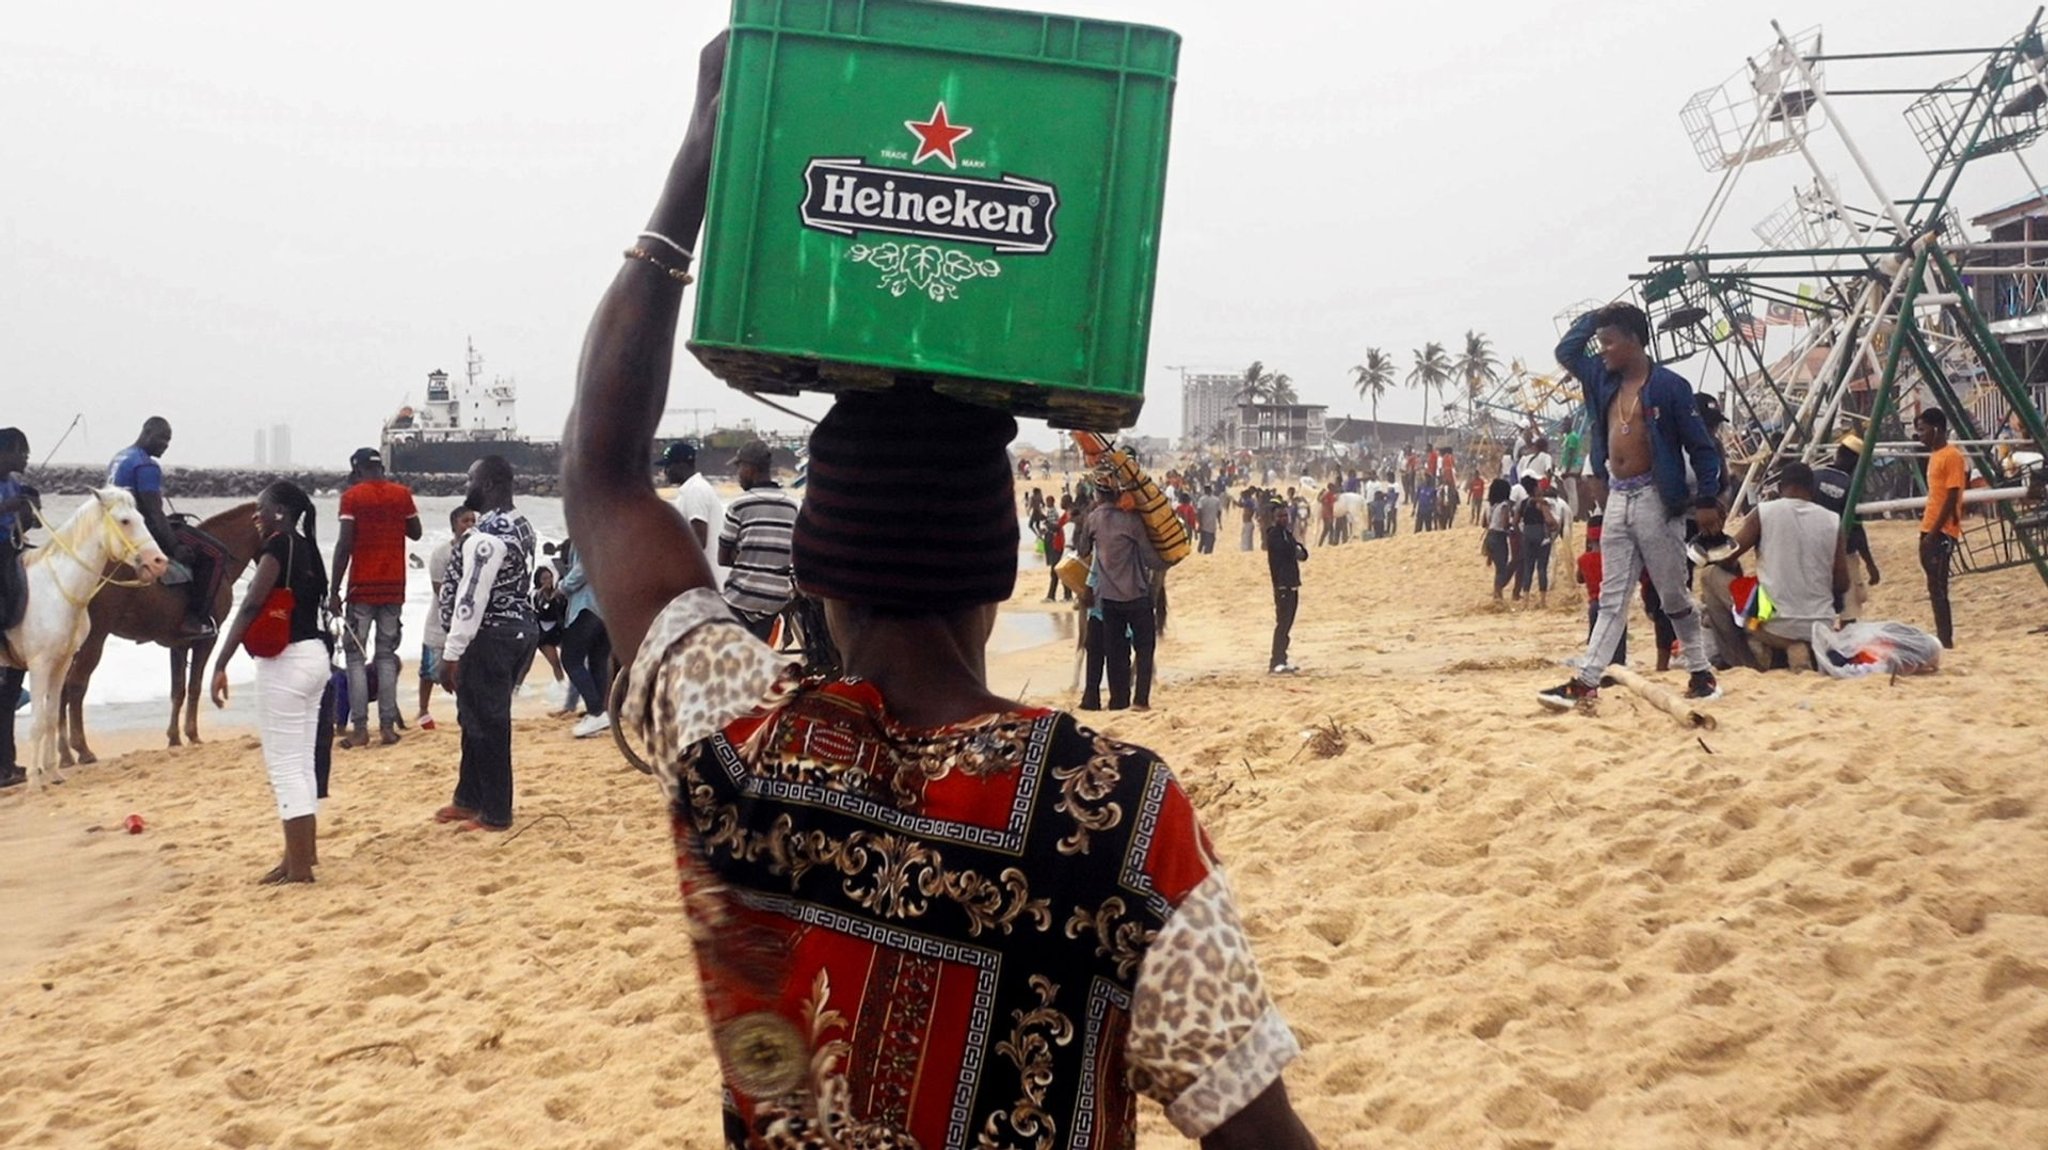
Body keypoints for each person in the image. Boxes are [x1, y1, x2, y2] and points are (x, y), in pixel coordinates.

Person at [561, 54, 1316, 1137]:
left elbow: (598, 472)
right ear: (1000, 574)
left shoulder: (731, 742)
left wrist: (688, 178)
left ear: (815, 578)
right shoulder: (1117, 815)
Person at [1539, 303, 1725, 709]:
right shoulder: (1602, 381)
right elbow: (1566, 352)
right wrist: (1597, 317)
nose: (1602, 350)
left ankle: (1700, 673)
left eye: (1609, 341)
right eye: (1600, 342)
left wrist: (1708, 497)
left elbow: (1702, 448)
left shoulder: (1670, 387)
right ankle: (1587, 680)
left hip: (1658, 499)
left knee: (1672, 594)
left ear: (1635, 341)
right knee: (1612, 595)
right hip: (1619, 496)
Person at [208, 481, 331, 885]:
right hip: (315, 656)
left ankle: (298, 869)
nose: (256, 516)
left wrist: (220, 661)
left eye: (261, 509)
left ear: (279, 511)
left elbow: (251, 604)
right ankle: (299, 856)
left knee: (285, 767)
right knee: (302, 763)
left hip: (286, 663)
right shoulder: (309, 546)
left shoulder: (277, 546)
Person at [436, 455, 538, 832]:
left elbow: (471, 597)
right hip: (515, 631)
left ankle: (495, 812)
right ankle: (469, 797)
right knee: (474, 717)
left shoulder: (487, 537)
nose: (467, 487)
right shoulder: (520, 524)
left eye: (471, 480)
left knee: (488, 723)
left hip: (489, 636)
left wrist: (452, 652)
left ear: (491, 484)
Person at [1710, 462, 1848, 670]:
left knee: (1710, 576)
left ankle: (1743, 659)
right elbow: (1842, 583)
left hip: (1774, 625)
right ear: (1812, 490)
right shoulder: (1832, 521)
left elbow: (1728, 555)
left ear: (1781, 487)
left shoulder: (1764, 512)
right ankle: (1799, 648)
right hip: (1822, 626)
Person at [328, 447, 422, 747]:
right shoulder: (402, 494)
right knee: (385, 656)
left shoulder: (352, 497)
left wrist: (334, 590)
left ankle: (359, 729)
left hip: (361, 587)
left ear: (356, 470)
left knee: (355, 657)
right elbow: (416, 533)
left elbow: (344, 546)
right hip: (394, 586)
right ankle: (387, 727)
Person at [107, 416, 216, 642]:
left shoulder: (120, 457)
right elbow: (154, 513)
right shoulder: (146, 464)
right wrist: (175, 547)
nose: (165, 445)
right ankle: (194, 620)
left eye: (168, 441)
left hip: (112, 529)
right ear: (146, 433)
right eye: (162, 439)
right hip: (137, 532)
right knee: (209, 555)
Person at [1080, 484, 1165, 711]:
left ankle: (1119, 701)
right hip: (1136, 595)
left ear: (1098, 495)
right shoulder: (1132, 520)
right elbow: (1150, 559)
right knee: (1145, 648)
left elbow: (1082, 550)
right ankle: (1141, 701)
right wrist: (1167, 559)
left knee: (1116, 653)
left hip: (1108, 599)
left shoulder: (1093, 519)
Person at [717, 439, 798, 642]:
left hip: (743, 597)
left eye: (739, 468)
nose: (738, 475)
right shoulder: (791, 506)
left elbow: (723, 558)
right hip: (776, 599)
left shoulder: (740, 506)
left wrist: (745, 554)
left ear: (750, 469)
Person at [416, 505, 475, 732]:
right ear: (454, 526)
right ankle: (423, 709)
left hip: (469, 618)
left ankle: (465, 710)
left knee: (463, 671)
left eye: (472, 521)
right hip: (441, 620)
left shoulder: (479, 550)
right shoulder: (441, 553)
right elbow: (439, 590)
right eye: (464, 521)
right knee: (429, 668)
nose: (470, 525)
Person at [1811, 435, 1882, 622]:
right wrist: (1870, 563)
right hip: (1844, 553)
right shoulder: (1851, 486)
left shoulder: (1814, 477)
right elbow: (1857, 530)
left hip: (1814, 553)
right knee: (1850, 608)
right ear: (1857, 462)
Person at [0, 427, 36, 789]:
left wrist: (29, 511)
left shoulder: (12, 482)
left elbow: (21, 527)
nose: (25, 459)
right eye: (20, 452)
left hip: (12, 550)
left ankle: (7, 763)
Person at [1917, 408, 1966, 648]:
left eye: (1923, 429)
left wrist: (1935, 532)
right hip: (1929, 526)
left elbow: (1951, 496)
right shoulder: (1935, 456)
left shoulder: (1952, 456)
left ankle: (1946, 639)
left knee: (1939, 585)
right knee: (1933, 584)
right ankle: (1942, 634)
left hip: (1942, 530)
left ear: (1937, 429)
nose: (1920, 435)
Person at [557, 541, 614, 738]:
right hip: (608, 604)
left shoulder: (587, 530)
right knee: (598, 659)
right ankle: (598, 715)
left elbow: (584, 567)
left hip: (587, 604)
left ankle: (596, 711)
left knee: (570, 659)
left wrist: (562, 587)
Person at [662, 439, 728, 591]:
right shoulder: (690, 491)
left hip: (708, 585)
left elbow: (699, 540)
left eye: (668, 465)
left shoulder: (696, 491)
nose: (665, 471)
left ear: (681, 465)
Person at [1575, 517, 1626, 667]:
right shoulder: (1613, 558)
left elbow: (1579, 579)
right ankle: (1617, 668)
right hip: (1614, 604)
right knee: (1617, 640)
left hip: (1595, 605)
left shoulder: (1583, 559)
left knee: (1597, 642)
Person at [1267, 500, 1308, 674]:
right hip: (1282, 585)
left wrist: (1297, 548)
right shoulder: (1274, 535)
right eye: (1280, 516)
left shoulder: (1287, 534)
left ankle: (1282, 659)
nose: (1284, 518)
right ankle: (1275, 661)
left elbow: (1303, 554)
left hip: (1293, 584)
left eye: (1285, 515)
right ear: (1274, 518)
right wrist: (1295, 548)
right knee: (1282, 624)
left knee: (1287, 624)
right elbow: (1287, 550)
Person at [1513, 476, 1558, 606]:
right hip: (1541, 535)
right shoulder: (1541, 503)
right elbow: (1549, 520)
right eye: (1538, 486)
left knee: (1528, 568)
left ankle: (1525, 601)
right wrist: (1554, 526)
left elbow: (1515, 522)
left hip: (1527, 535)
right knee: (1542, 568)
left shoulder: (1523, 503)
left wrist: (1521, 535)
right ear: (1534, 488)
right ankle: (1542, 601)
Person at [530, 566, 569, 688]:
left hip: (558, 630)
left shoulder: (558, 593)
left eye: (550, 577)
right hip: (544, 634)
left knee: (569, 658)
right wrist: (544, 598)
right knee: (555, 663)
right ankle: (561, 686)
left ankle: (566, 687)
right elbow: (539, 611)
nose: (548, 581)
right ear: (538, 581)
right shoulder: (536, 594)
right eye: (544, 578)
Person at [1196, 484, 1222, 554]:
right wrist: (1220, 523)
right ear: (1211, 490)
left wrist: (1199, 523)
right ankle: (1208, 553)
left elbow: (1199, 512)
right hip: (1212, 524)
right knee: (1211, 540)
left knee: (1202, 540)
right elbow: (1219, 512)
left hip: (1203, 524)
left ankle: (1199, 554)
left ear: (1204, 491)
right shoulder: (1216, 500)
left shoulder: (1201, 500)